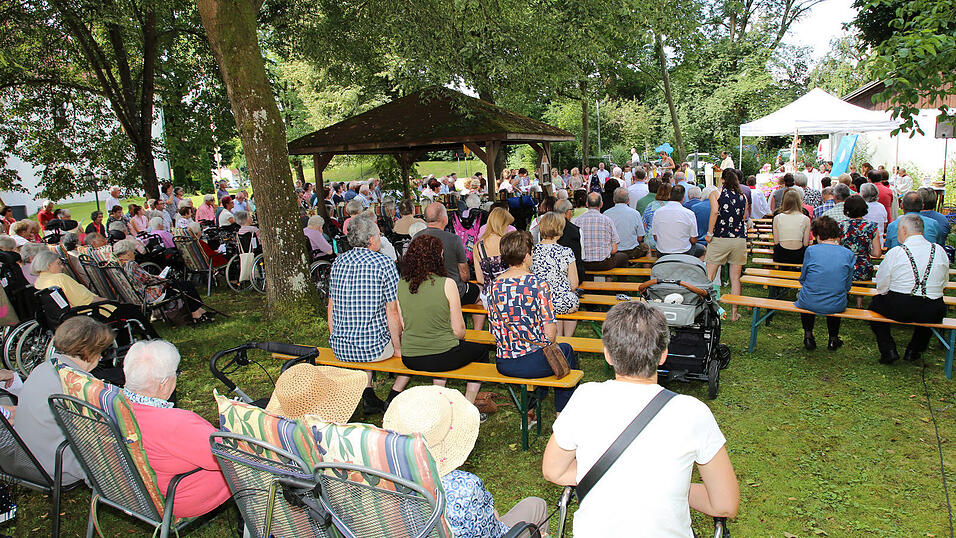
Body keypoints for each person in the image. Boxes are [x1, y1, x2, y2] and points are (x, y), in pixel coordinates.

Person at [542, 301, 739, 536]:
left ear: (608, 354)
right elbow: (725, 504)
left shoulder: (584, 397)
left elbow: (554, 470)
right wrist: (671, 487)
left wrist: (621, 481)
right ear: (664, 354)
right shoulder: (693, 412)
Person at [384, 386, 550, 538]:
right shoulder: (464, 488)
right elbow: (493, 533)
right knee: (536, 505)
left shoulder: (372, 476)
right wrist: (494, 518)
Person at [120, 340, 231, 518]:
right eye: (176, 373)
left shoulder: (114, 408)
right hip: (177, 499)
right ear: (164, 383)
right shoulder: (175, 424)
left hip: (135, 491)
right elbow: (229, 455)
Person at [15, 317, 119, 484]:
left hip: (27, 459)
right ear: (89, 350)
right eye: (100, 351)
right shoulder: (78, 384)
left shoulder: (42, 369)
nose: (100, 357)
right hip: (56, 466)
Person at [487, 231, 578, 414]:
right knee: (566, 351)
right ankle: (563, 411)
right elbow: (550, 335)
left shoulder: (493, 286)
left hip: (504, 363)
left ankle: (531, 408)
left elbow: (493, 330)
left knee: (548, 353)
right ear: (528, 255)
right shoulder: (538, 285)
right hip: (533, 363)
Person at [327, 214, 410, 412]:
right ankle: (393, 395)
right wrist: (398, 348)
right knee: (416, 346)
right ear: (371, 239)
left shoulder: (338, 263)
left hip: (341, 347)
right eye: (379, 234)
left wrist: (334, 337)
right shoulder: (385, 264)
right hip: (374, 348)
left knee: (365, 327)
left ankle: (367, 393)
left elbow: (331, 307)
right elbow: (393, 312)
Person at [397, 235, 486, 402]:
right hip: (441, 356)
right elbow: (459, 332)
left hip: (410, 357)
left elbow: (404, 324)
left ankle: (438, 398)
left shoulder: (401, 284)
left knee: (449, 349)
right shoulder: (447, 284)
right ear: (437, 257)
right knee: (480, 351)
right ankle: (467, 405)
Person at [870, 214, 950, 364]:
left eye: (899, 230)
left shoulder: (896, 252)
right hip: (932, 309)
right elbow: (943, 282)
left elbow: (882, 284)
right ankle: (914, 349)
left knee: (875, 304)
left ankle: (888, 349)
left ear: (904, 230)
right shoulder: (939, 251)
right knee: (931, 309)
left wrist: (886, 294)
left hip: (900, 307)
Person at [32, 250, 160, 338]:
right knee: (131, 310)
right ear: (49, 265)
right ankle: (154, 339)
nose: (62, 267)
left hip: (64, 318)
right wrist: (104, 300)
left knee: (124, 309)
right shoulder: (60, 278)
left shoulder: (40, 281)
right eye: (58, 264)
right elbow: (85, 300)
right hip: (88, 313)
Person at [794, 216, 855, 351]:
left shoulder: (811, 250)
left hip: (809, 301)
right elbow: (847, 284)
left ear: (817, 235)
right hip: (836, 302)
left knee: (807, 294)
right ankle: (833, 338)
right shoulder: (848, 254)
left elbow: (803, 278)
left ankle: (808, 335)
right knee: (835, 295)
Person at [113, 239, 208, 323]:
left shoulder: (118, 266)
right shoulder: (131, 265)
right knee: (186, 286)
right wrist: (162, 279)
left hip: (139, 294)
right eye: (133, 252)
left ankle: (199, 310)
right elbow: (147, 279)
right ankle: (196, 314)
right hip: (151, 293)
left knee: (182, 285)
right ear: (127, 253)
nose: (134, 254)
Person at [705, 169, 749, 321]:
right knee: (735, 278)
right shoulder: (743, 197)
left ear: (722, 180)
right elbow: (743, 217)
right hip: (739, 239)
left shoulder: (716, 194)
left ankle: (706, 309)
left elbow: (715, 212)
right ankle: (734, 313)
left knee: (709, 275)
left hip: (720, 237)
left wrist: (709, 233)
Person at [419, 203, 481, 305]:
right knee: (480, 291)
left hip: (424, 291)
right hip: (454, 292)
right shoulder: (454, 239)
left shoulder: (416, 237)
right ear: (444, 219)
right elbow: (464, 275)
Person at [532, 213, 580, 337]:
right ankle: (568, 340)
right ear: (559, 229)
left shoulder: (531, 252)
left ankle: (557, 338)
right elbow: (574, 284)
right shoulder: (566, 252)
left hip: (539, 302)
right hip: (563, 302)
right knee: (569, 299)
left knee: (553, 307)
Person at [472, 207, 513, 332]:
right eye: (507, 225)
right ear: (502, 224)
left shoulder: (478, 246)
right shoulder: (507, 243)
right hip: (509, 292)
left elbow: (480, 279)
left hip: (489, 295)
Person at [578, 193, 628, 271]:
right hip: (603, 263)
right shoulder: (607, 220)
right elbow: (614, 249)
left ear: (587, 204)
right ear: (601, 204)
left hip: (584, 263)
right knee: (623, 257)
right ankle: (619, 281)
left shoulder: (578, 220)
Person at [840, 195, 882, 285]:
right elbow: (877, 253)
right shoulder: (872, 226)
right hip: (864, 269)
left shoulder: (841, 226)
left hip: (844, 267)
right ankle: (860, 299)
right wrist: (866, 249)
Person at [653, 184, 704, 257]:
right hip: (684, 251)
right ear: (683, 198)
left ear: (669, 195)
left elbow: (655, 237)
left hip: (662, 251)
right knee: (702, 250)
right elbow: (694, 239)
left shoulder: (657, 212)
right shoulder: (689, 214)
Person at [604, 188, 647, 260]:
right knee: (646, 247)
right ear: (628, 200)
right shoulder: (635, 213)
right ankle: (646, 270)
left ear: (614, 200)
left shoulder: (606, 214)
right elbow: (640, 237)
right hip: (631, 250)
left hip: (613, 251)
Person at [771, 189, 811, 264]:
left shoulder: (777, 218)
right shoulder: (806, 219)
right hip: (799, 256)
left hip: (780, 255)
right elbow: (805, 243)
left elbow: (776, 242)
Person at [643, 183, 671, 253]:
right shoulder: (672, 206)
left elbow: (644, 225)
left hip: (651, 241)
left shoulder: (650, 205)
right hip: (668, 241)